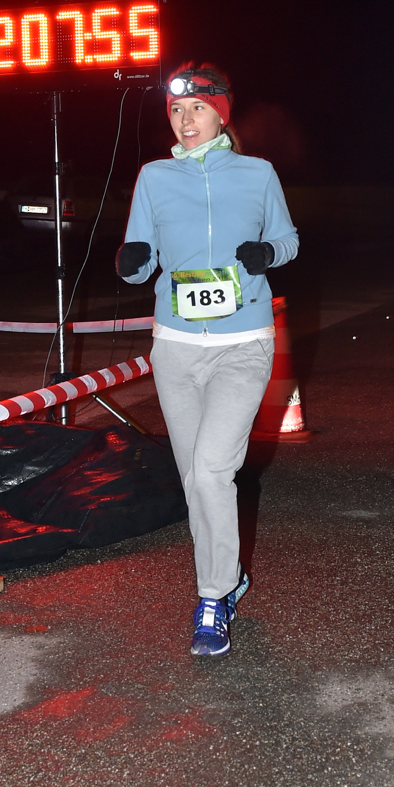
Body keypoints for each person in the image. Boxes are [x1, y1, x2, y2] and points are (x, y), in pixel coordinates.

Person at [117, 62, 299, 656]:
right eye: (175, 109)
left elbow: (289, 241)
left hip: (243, 344)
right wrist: (133, 259)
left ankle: (213, 596)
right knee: (195, 478)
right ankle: (228, 576)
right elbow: (140, 258)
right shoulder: (153, 177)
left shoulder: (257, 173)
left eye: (196, 107)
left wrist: (266, 250)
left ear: (221, 111)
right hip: (175, 347)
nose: (185, 118)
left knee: (213, 470)